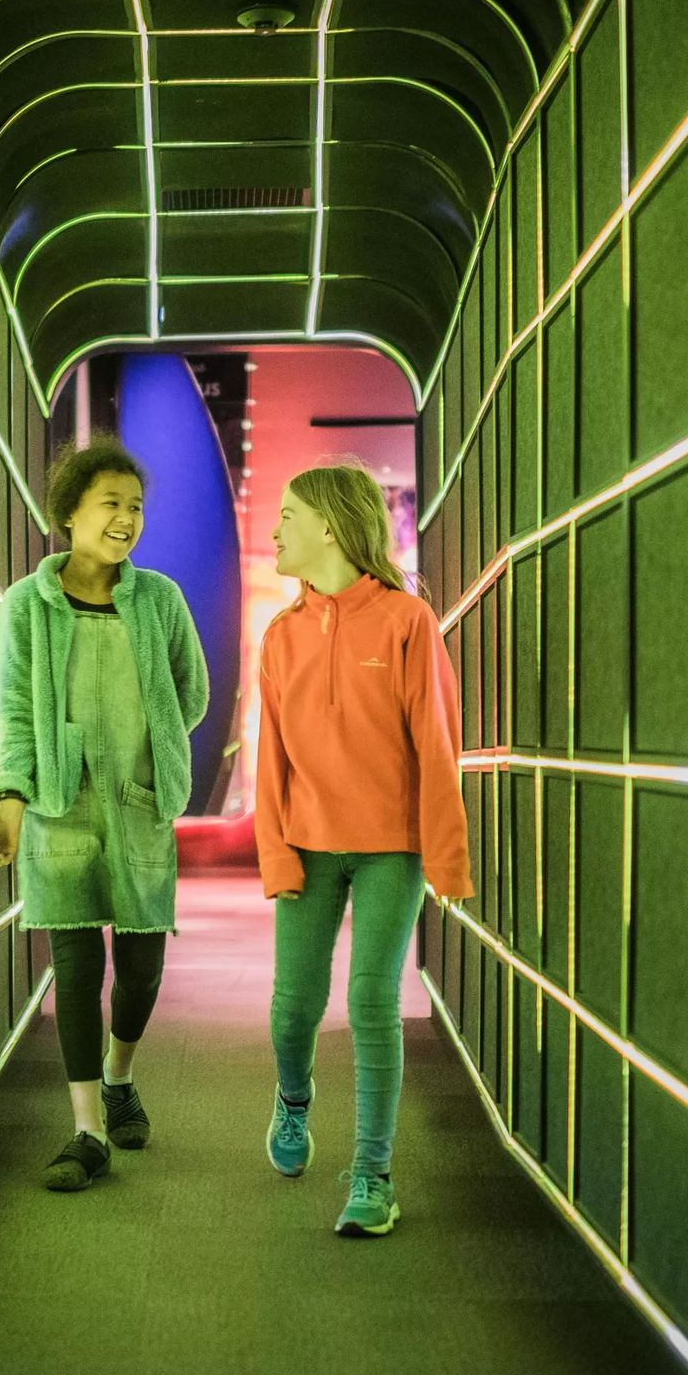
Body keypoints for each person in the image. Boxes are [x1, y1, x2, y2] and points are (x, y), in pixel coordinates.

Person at [0, 435, 209, 1191]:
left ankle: (118, 1079)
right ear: (70, 513)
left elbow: (193, 694)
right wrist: (11, 805)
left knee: (142, 969)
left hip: (140, 809)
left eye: (136, 506)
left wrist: (153, 752)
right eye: (111, 503)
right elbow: (13, 712)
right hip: (59, 810)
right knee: (76, 970)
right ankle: (84, 1132)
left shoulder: (161, 601)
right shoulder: (27, 606)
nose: (127, 518)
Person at [256, 460, 473, 1236]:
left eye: (286, 514)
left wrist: (446, 860)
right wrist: (276, 856)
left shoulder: (408, 620)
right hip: (308, 849)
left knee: (372, 1003)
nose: (276, 529)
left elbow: (436, 746)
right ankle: (292, 1102)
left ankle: (374, 1177)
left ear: (329, 525)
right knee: (293, 1012)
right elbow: (269, 761)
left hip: (393, 849)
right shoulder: (279, 637)